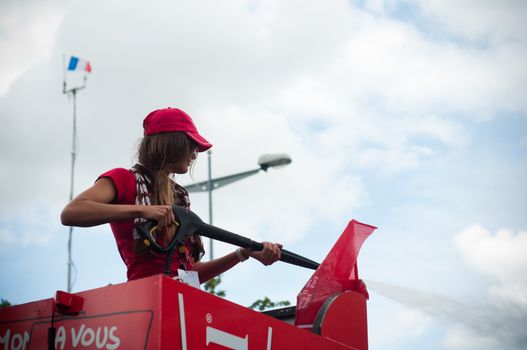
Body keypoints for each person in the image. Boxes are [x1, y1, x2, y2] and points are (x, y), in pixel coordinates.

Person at [61, 107, 282, 283]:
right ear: (171, 143)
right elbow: (72, 213)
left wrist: (243, 254)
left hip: (182, 304)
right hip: (145, 301)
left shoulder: (179, 197)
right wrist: (143, 210)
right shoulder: (123, 179)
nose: (194, 156)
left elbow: (189, 273)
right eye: (191, 146)